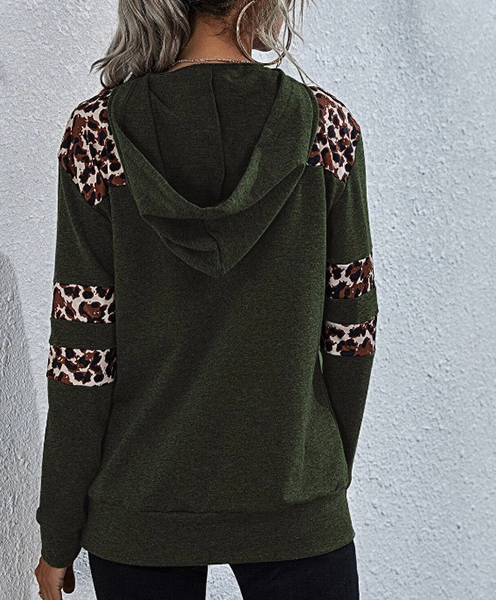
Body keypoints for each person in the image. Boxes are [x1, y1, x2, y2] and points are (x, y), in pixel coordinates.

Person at [33, 0, 379, 598]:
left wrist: (59, 531)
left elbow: (82, 355)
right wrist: (315, 474)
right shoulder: (325, 131)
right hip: (295, 500)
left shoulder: (97, 136)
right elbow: (353, 328)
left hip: (138, 502)